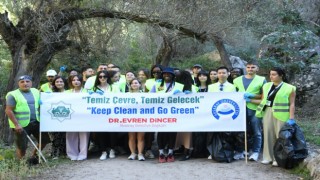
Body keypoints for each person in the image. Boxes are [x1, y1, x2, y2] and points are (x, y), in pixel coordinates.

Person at [256, 67, 296, 167]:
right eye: (270, 74)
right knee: (268, 135)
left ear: (281, 75)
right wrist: (249, 99)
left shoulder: (290, 88)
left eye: (274, 74)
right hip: (267, 112)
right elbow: (263, 100)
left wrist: (291, 118)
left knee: (280, 137)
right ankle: (267, 157)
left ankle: (277, 158)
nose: (271, 76)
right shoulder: (266, 86)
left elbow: (292, 104)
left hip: (282, 114)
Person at [5, 75, 50, 160]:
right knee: (22, 146)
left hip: (36, 122)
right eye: (22, 82)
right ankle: (22, 163)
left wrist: (48, 96)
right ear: (18, 83)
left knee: (44, 141)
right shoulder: (13, 95)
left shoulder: (36, 91)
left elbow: (44, 99)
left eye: (27, 81)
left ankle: (34, 157)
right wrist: (16, 124)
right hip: (21, 125)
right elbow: (8, 110)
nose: (25, 84)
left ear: (31, 83)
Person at [233, 62, 266, 161]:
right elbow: (233, 93)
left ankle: (255, 152)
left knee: (257, 131)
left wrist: (252, 96)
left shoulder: (261, 80)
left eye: (253, 67)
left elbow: (263, 96)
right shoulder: (237, 80)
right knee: (240, 131)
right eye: (248, 67)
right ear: (245, 68)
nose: (250, 69)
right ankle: (241, 151)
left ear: (257, 69)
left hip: (255, 109)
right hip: (240, 109)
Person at [150, 67, 184, 163]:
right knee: (161, 133)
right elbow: (149, 97)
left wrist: (183, 94)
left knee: (172, 133)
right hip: (160, 112)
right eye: (164, 73)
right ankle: (161, 153)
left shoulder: (179, 86)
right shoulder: (156, 84)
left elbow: (185, 99)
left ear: (173, 75)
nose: (166, 75)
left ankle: (170, 153)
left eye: (169, 74)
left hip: (174, 112)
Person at [207, 67, 236, 160]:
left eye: (223, 73)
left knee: (227, 133)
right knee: (214, 133)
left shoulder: (233, 86)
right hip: (215, 113)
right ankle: (213, 152)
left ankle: (227, 151)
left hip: (227, 113)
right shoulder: (211, 87)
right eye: (219, 73)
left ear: (228, 74)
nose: (221, 74)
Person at [90, 70, 120, 160]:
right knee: (101, 133)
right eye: (100, 77)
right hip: (99, 115)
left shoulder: (114, 87)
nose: (102, 78)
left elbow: (119, 99)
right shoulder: (94, 89)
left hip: (112, 114)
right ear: (98, 78)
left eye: (104, 76)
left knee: (112, 133)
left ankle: (112, 150)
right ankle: (103, 151)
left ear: (108, 78)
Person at [65, 75, 90, 161]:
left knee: (84, 135)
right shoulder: (67, 92)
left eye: (78, 80)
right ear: (71, 82)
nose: (76, 81)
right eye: (73, 80)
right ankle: (72, 154)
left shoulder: (87, 91)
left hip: (84, 117)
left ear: (81, 81)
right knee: (70, 135)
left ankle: (83, 154)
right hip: (71, 117)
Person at [175, 70, 197, 161]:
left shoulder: (193, 88)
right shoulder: (176, 87)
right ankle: (181, 147)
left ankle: (187, 150)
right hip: (178, 113)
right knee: (179, 133)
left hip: (189, 114)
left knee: (187, 133)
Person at [127, 78, 146, 161]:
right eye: (132, 83)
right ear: (130, 85)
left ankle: (140, 154)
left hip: (142, 118)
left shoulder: (145, 94)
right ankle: (133, 153)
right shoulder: (125, 95)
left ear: (139, 84)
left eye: (136, 83)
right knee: (131, 137)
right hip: (130, 118)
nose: (134, 84)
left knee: (141, 137)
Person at [50, 76, 68, 159]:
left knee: (65, 136)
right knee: (56, 136)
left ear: (64, 83)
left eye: (61, 81)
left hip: (67, 117)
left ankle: (64, 153)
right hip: (55, 117)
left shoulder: (69, 93)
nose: (59, 83)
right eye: (57, 82)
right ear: (54, 83)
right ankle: (54, 154)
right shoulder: (50, 94)